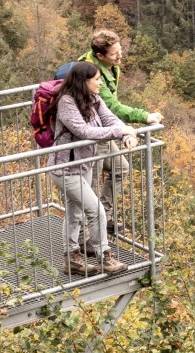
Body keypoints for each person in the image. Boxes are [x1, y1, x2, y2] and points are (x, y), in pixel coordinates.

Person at [49, 61, 136, 275]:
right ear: (83, 81)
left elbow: (109, 119)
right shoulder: (66, 103)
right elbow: (84, 131)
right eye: (96, 79)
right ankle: (104, 257)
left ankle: (72, 259)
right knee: (95, 211)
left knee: (75, 212)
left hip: (84, 165)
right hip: (65, 168)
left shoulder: (93, 99)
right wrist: (120, 132)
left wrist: (125, 132)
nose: (99, 83)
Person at [75, 30, 162, 235]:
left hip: (105, 131)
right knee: (91, 185)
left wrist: (124, 131)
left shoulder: (111, 69)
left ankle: (103, 216)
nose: (120, 56)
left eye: (120, 50)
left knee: (120, 168)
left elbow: (107, 110)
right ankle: (86, 236)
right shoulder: (90, 74)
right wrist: (144, 116)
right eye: (115, 53)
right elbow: (111, 106)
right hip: (91, 136)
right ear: (100, 56)